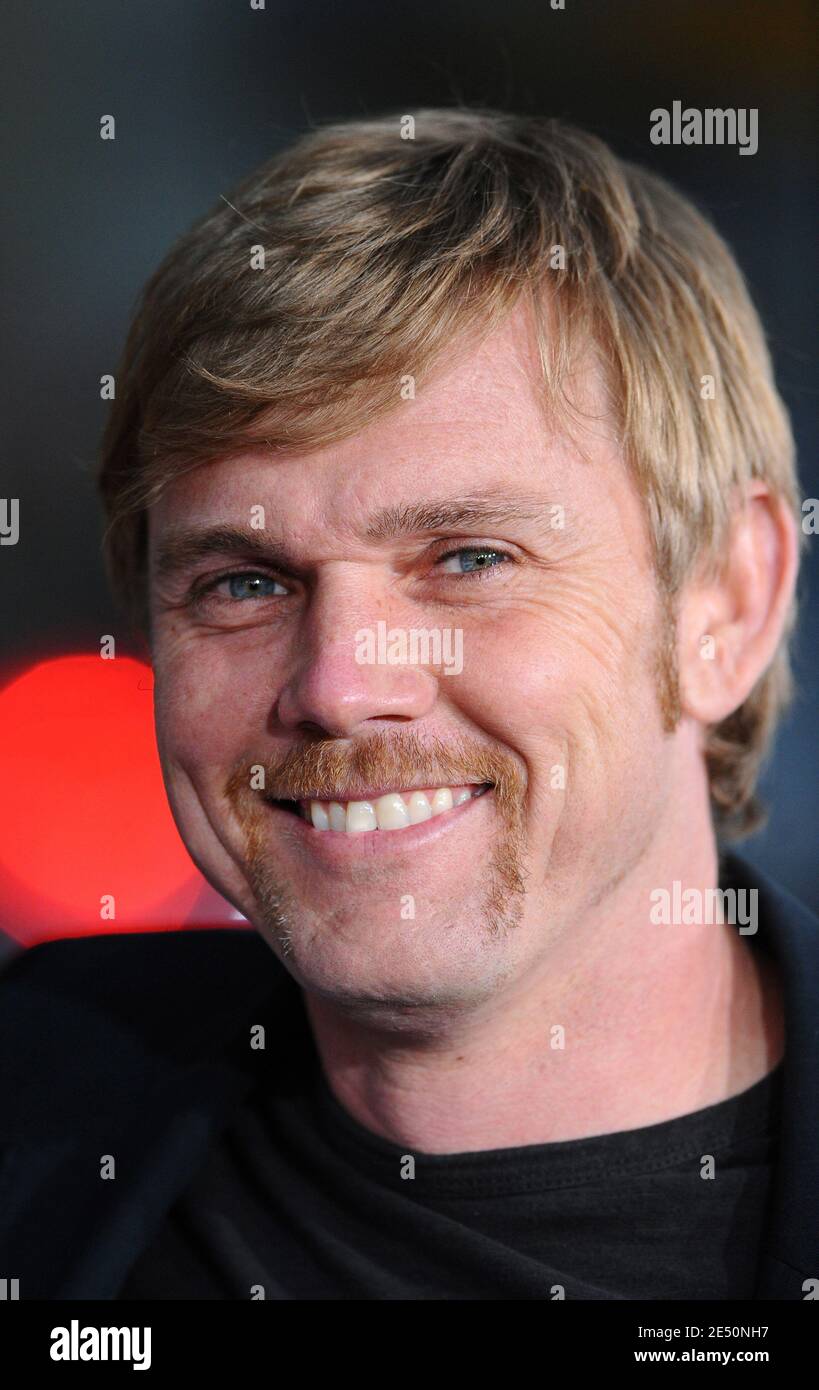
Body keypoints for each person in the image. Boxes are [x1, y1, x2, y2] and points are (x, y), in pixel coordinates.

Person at [1, 109, 816, 1300]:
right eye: (245, 581)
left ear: (726, 605)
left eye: (468, 558)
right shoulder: (37, 1094)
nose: (340, 684)